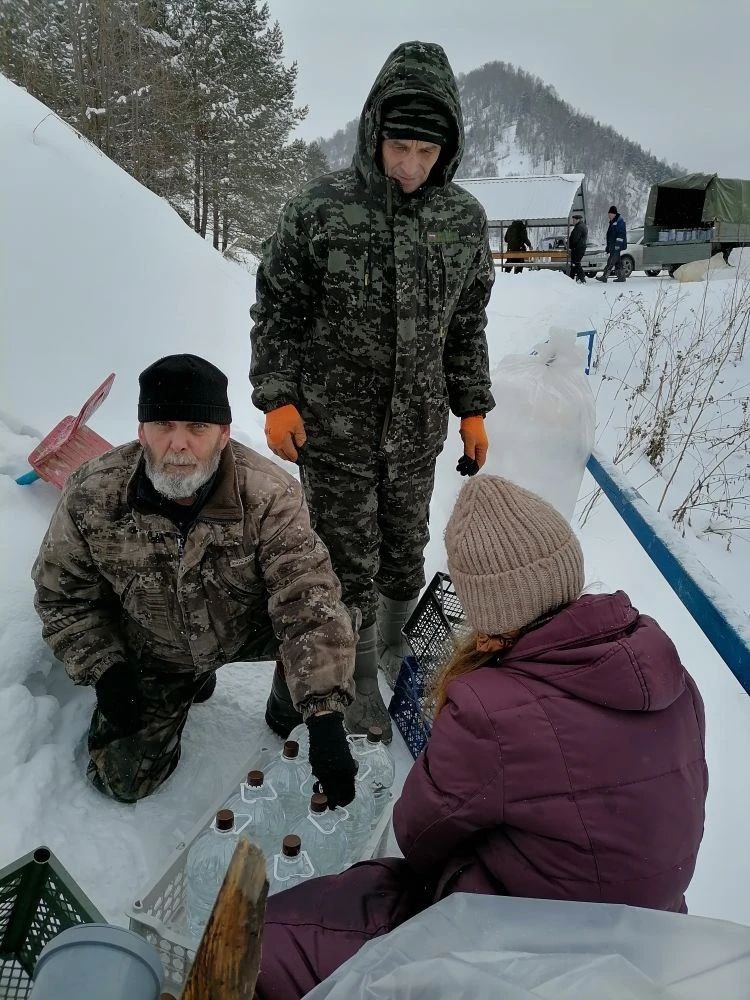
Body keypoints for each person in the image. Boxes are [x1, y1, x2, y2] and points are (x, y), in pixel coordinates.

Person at [253, 475, 708, 1000]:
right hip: (647, 938)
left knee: (273, 940)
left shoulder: (491, 710)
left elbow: (417, 837)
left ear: (485, 611)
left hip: (527, 955)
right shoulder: (664, 667)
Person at [250, 41, 496, 742]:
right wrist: (277, 396)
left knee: (404, 544)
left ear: (446, 149)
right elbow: (279, 312)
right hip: (334, 428)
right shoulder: (318, 209)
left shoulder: (462, 220)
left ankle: (392, 645)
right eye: (399, 148)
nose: (412, 167)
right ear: (373, 133)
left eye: (426, 152)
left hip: (418, 429)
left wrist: (471, 407)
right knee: (342, 557)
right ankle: (352, 674)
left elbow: (467, 322)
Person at [32, 354, 358, 806]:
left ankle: (291, 703)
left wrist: (324, 716)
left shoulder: (269, 496)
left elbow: (307, 601)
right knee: (121, 780)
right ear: (141, 430)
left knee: (336, 617)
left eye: (198, 428)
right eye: (164, 424)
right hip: (158, 647)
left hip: (249, 629)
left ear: (223, 435)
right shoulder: (93, 493)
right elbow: (62, 596)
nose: (179, 445)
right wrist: (105, 669)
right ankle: (189, 681)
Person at [597, 205, 627, 282]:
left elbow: (621, 235)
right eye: (608, 215)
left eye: (610, 215)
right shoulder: (613, 222)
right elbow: (610, 236)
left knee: (611, 261)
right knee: (618, 262)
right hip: (612, 245)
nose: (609, 216)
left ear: (614, 214)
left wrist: (617, 245)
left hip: (616, 246)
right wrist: (608, 246)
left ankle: (605, 276)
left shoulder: (619, 222)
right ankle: (621, 277)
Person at [568, 213, 588, 283]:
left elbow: (575, 239)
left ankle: (582, 278)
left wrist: (570, 246)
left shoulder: (578, 227)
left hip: (578, 248)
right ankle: (571, 278)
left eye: (574, 220)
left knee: (576, 263)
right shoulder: (582, 226)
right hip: (580, 248)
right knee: (574, 264)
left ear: (578, 220)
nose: (572, 221)